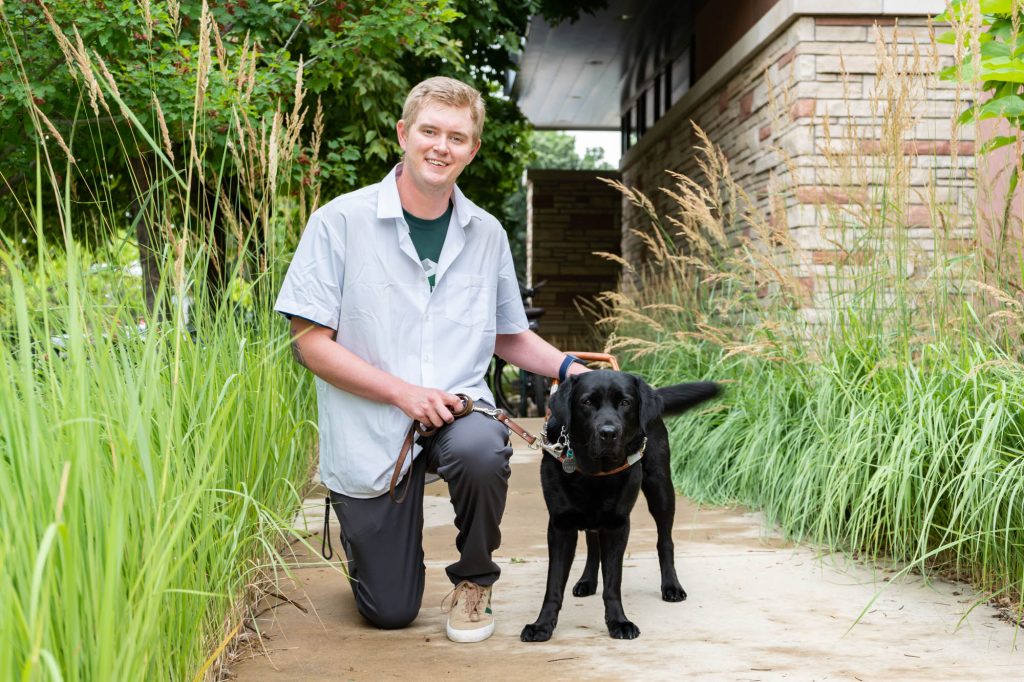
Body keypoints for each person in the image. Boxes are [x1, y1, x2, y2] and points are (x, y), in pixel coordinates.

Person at [275, 76, 588, 643]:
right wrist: (402, 393)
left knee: (481, 449)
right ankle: (369, 543)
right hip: (369, 426)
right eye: (430, 131)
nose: (441, 146)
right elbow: (310, 343)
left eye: (457, 137)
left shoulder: (487, 233)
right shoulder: (338, 222)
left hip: (456, 412)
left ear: (472, 149)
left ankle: (475, 580)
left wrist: (572, 369)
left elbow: (508, 335)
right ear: (403, 133)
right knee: (391, 610)